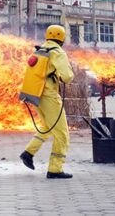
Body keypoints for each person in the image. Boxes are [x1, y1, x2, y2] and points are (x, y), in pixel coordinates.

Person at [20, 24, 75, 179]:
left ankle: (28, 153)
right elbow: (67, 77)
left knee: (47, 127)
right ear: (62, 38)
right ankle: (55, 169)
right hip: (49, 96)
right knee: (62, 134)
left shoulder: (40, 50)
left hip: (34, 94)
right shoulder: (57, 52)